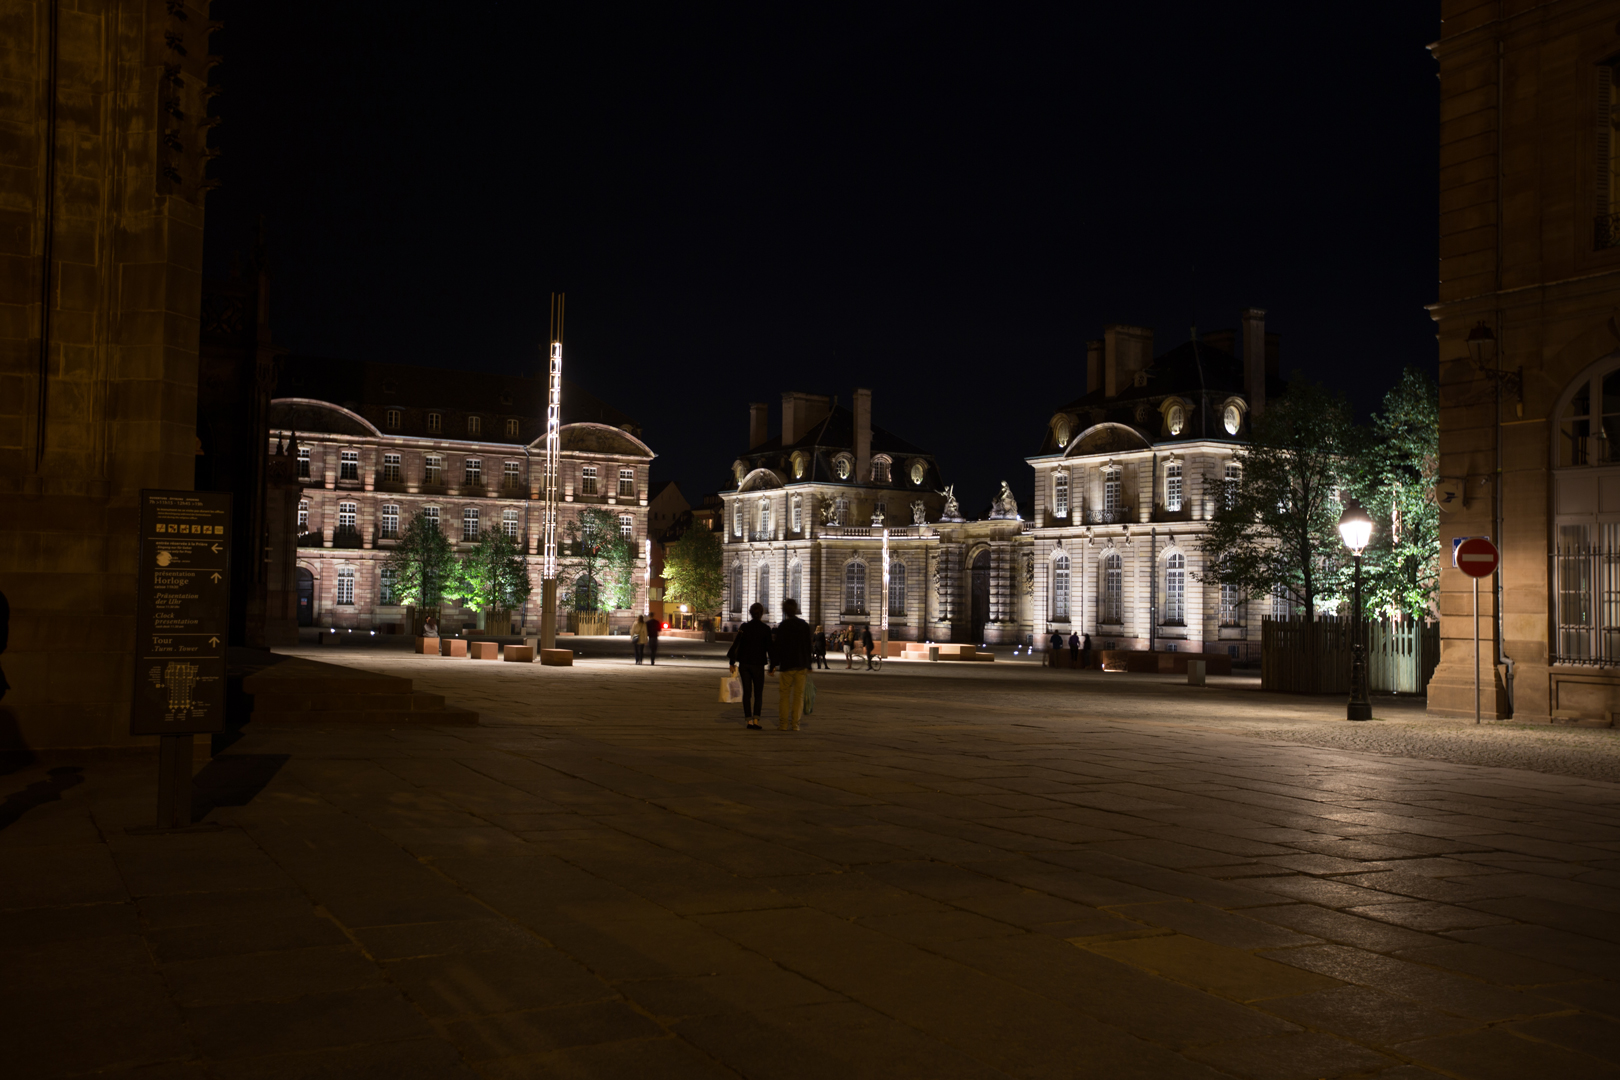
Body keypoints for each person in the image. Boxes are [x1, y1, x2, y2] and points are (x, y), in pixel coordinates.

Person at [769, 598, 814, 731]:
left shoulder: (783, 626)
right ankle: (795, 724)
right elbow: (808, 646)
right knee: (798, 696)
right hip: (801, 665)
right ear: (796, 609)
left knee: (784, 695)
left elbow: (778, 647)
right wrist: (809, 665)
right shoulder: (804, 625)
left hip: (787, 665)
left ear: (785, 611)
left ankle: (783, 724)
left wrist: (773, 665)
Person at [726, 603, 772, 729]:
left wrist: (732, 662)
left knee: (747, 693)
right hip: (758, 664)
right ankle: (756, 720)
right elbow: (770, 648)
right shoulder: (765, 629)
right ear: (761, 614)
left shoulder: (744, 627)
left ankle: (748, 721)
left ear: (750, 613)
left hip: (744, 664)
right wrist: (772, 665)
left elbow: (736, 644)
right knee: (758, 693)